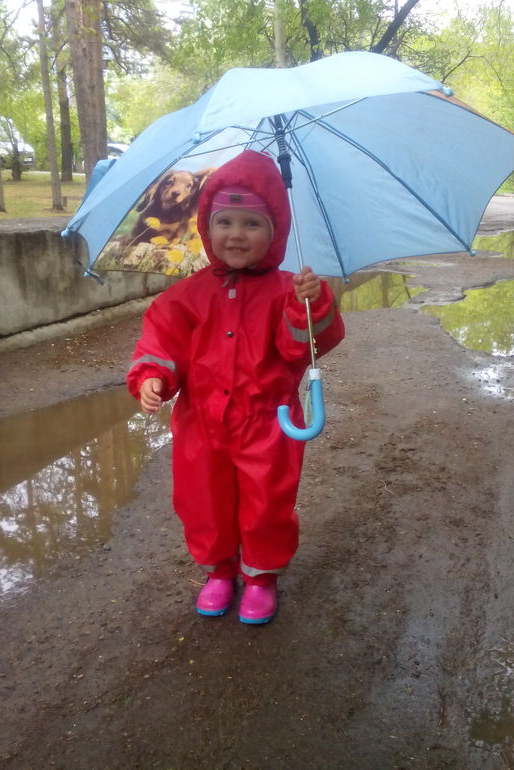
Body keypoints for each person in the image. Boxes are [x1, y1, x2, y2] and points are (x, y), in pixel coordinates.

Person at [127, 149, 345, 624]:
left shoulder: (290, 289)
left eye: (252, 223)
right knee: (203, 501)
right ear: (207, 228)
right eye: (224, 222)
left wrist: (309, 306)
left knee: (267, 503)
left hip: (269, 421)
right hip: (201, 423)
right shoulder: (187, 295)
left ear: (276, 230)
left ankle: (261, 576)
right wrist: (153, 376)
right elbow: (161, 340)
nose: (236, 234)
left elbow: (300, 350)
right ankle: (219, 571)